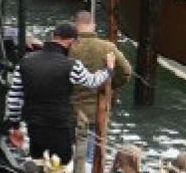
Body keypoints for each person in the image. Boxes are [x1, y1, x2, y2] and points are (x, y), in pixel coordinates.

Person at [6, 24, 114, 163]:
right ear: (72, 42)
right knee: (60, 168)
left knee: (38, 162)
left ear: (52, 36)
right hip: (60, 125)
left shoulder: (24, 63)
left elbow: (14, 99)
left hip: (34, 125)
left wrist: (15, 127)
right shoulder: (72, 65)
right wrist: (108, 69)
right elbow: (92, 81)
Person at [70, 10, 132, 173]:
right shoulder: (107, 48)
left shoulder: (68, 47)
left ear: (75, 25)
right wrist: (109, 88)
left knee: (66, 155)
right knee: (89, 158)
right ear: (93, 25)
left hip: (69, 111)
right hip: (95, 112)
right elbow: (126, 72)